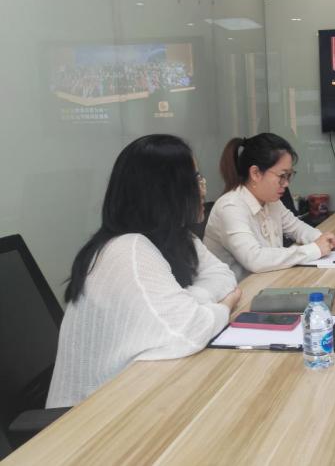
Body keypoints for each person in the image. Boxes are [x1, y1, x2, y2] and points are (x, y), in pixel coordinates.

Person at [47, 135, 241, 408]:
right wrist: (224, 305)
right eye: (195, 179)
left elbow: (224, 276)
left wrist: (189, 300)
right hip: (89, 417)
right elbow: (189, 331)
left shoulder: (178, 238)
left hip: (135, 394)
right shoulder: (127, 249)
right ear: (165, 190)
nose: (203, 188)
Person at [204, 133, 335, 279]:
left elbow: (297, 228)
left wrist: (321, 238)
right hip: (238, 290)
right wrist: (314, 249)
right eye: (282, 176)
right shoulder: (230, 207)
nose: (286, 184)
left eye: (289, 175)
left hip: (268, 281)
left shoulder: (271, 200)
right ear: (255, 173)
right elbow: (255, 259)